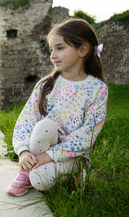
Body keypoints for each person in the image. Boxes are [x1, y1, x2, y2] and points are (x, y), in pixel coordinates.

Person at [6, 18, 108, 196]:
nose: (52, 55)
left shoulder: (97, 89)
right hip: (42, 145)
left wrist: (49, 157)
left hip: (72, 154)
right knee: (45, 126)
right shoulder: (46, 85)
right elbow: (27, 120)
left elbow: (87, 134)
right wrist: (23, 152)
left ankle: (75, 170)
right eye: (51, 49)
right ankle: (25, 172)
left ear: (82, 49)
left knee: (40, 180)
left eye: (60, 48)